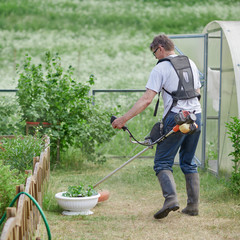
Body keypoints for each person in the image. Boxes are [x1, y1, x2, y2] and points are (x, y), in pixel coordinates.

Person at [112, 34, 202, 219]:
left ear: (160, 48)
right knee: (188, 161)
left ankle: (171, 200)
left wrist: (123, 119)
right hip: (196, 116)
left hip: (177, 119)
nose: (155, 57)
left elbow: (146, 100)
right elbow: (197, 91)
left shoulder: (161, 68)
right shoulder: (190, 63)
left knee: (162, 162)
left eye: (154, 53)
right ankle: (193, 206)